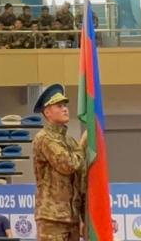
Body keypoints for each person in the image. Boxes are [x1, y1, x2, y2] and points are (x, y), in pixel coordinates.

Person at [33, 83, 85, 241]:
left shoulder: (69, 141)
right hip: (52, 218)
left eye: (65, 105)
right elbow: (68, 165)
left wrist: (83, 216)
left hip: (72, 217)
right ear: (47, 112)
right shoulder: (44, 138)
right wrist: (82, 146)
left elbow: (80, 178)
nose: (65, 109)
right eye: (59, 106)